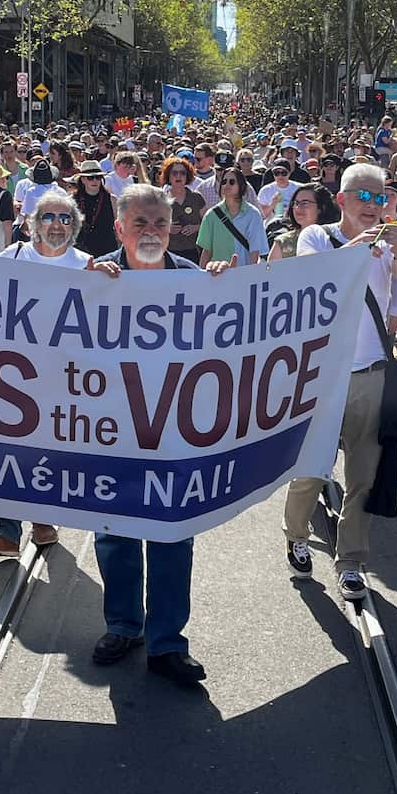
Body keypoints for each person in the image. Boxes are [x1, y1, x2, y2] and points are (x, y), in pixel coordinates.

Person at [89, 184, 233, 689]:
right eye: (141, 224)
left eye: (160, 225)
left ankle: (167, 642)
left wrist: (222, 287)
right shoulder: (94, 277)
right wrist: (84, 289)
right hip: (110, 433)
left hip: (173, 434)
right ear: (119, 228)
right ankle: (123, 626)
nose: (151, 233)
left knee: (173, 536)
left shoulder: (195, 281)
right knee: (115, 535)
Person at [288, 163, 397, 596]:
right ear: (342, 200)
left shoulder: (389, 245)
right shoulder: (317, 236)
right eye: (363, 196)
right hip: (320, 377)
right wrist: (358, 249)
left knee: (363, 474)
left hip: (370, 374)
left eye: (380, 197)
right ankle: (296, 535)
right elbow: (312, 278)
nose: (373, 205)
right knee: (311, 470)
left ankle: (351, 560)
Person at [0, 191, 112, 559]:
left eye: (65, 219)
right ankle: (6, 531)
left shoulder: (87, 265)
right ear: (33, 222)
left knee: (49, 449)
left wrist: (108, 282)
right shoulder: (11, 257)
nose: (56, 224)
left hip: (61, 375)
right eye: (49, 217)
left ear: (75, 227)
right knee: (6, 449)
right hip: (10, 375)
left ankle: (43, 519)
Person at [197, 165, 267, 266]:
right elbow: (206, 251)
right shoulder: (211, 214)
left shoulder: (253, 214)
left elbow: (255, 252)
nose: (227, 184)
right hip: (217, 275)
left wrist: (251, 275)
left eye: (232, 182)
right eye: (224, 181)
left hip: (243, 274)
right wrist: (201, 276)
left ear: (241, 185)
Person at [161, 156, 207, 263]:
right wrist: (167, 228)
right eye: (174, 173)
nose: (178, 176)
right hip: (169, 253)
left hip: (195, 252)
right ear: (168, 175)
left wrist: (197, 227)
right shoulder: (161, 200)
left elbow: (208, 224)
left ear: (188, 176)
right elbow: (153, 226)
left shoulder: (196, 197)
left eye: (182, 173)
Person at [74, 159, 118, 257]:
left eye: (98, 177)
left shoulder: (112, 200)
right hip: (80, 251)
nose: (95, 181)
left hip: (107, 251)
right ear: (83, 180)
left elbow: (118, 226)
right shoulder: (72, 200)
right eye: (90, 178)